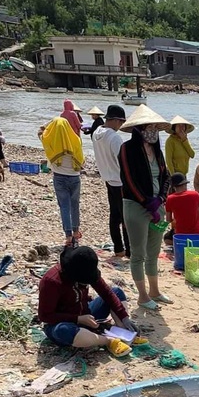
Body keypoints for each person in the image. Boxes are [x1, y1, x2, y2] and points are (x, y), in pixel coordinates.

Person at [38, 245, 140, 358]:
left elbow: (107, 293)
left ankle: (124, 332)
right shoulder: (51, 282)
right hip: (63, 323)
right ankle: (108, 341)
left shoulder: (87, 271)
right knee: (63, 331)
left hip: (86, 314)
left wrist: (124, 318)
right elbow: (45, 316)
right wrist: (78, 319)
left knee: (116, 292)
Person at [119, 104, 172, 310]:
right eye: (149, 128)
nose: (153, 132)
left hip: (156, 205)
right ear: (139, 130)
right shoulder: (127, 149)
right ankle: (142, 295)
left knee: (154, 251)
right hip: (135, 206)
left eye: (155, 129)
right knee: (138, 253)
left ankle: (154, 291)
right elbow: (129, 180)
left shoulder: (157, 151)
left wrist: (161, 198)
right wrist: (146, 202)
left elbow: (166, 176)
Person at [40, 116, 85, 248]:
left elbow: (40, 132)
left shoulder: (50, 142)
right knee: (75, 205)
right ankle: (76, 232)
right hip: (75, 177)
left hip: (59, 177)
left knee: (64, 206)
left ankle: (68, 236)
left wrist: (48, 126)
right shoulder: (75, 140)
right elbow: (81, 159)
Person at [92, 104, 130, 259]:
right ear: (114, 120)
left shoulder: (96, 133)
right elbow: (124, 161)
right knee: (126, 217)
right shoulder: (114, 137)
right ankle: (129, 250)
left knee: (114, 216)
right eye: (120, 122)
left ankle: (118, 248)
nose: (120, 126)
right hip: (119, 181)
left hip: (107, 178)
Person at [165, 171, 199, 236]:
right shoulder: (195, 194)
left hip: (180, 234)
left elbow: (168, 219)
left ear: (173, 187)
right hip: (197, 233)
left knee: (166, 238)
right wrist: (197, 217)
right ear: (184, 184)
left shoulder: (169, 199)